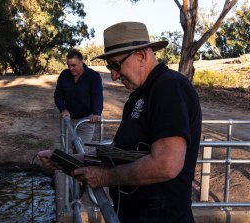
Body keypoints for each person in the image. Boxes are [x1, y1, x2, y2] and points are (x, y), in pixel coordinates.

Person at [39, 21, 202, 223]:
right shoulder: (138, 95)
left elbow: (166, 164)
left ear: (141, 56)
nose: (114, 76)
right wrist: (64, 160)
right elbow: (118, 152)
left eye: (116, 65)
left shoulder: (169, 88)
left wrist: (105, 177)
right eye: (110, 67)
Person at [54, 49, 103, 149]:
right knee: (67, 148)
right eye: (68, 65)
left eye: (73, 65)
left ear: (82, 63)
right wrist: (63, 109)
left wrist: (97, 113)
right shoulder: (64, 75)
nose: (70, 68)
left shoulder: (93, 76)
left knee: (81, 150)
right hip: (68, 120)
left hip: (86, 121)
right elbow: (58, 95)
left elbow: (97, 95)